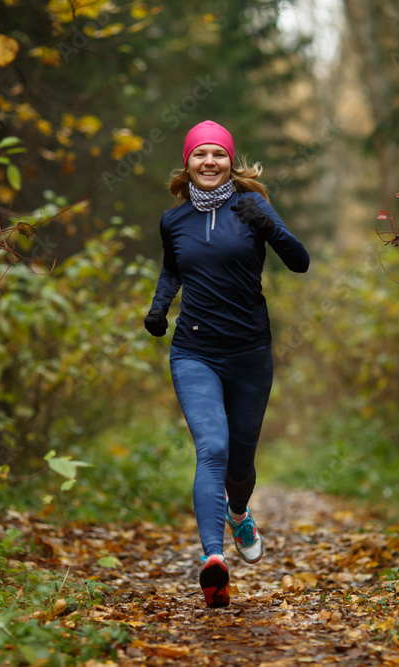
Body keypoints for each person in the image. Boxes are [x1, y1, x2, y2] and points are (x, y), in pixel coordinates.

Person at [143, 120, 310, 608]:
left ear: (231, 162)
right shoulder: (173, 221)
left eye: (218, 154)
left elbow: (298, 261)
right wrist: (160, 306)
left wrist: (270, 227)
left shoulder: (252, 207)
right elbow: (172, 267)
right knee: (211, 448)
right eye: (200, 154)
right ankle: (212, 561)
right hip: (194, 351)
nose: (209, 161)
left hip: (250, 353)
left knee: (240, 464)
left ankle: (239, 511)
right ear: (187, 163)